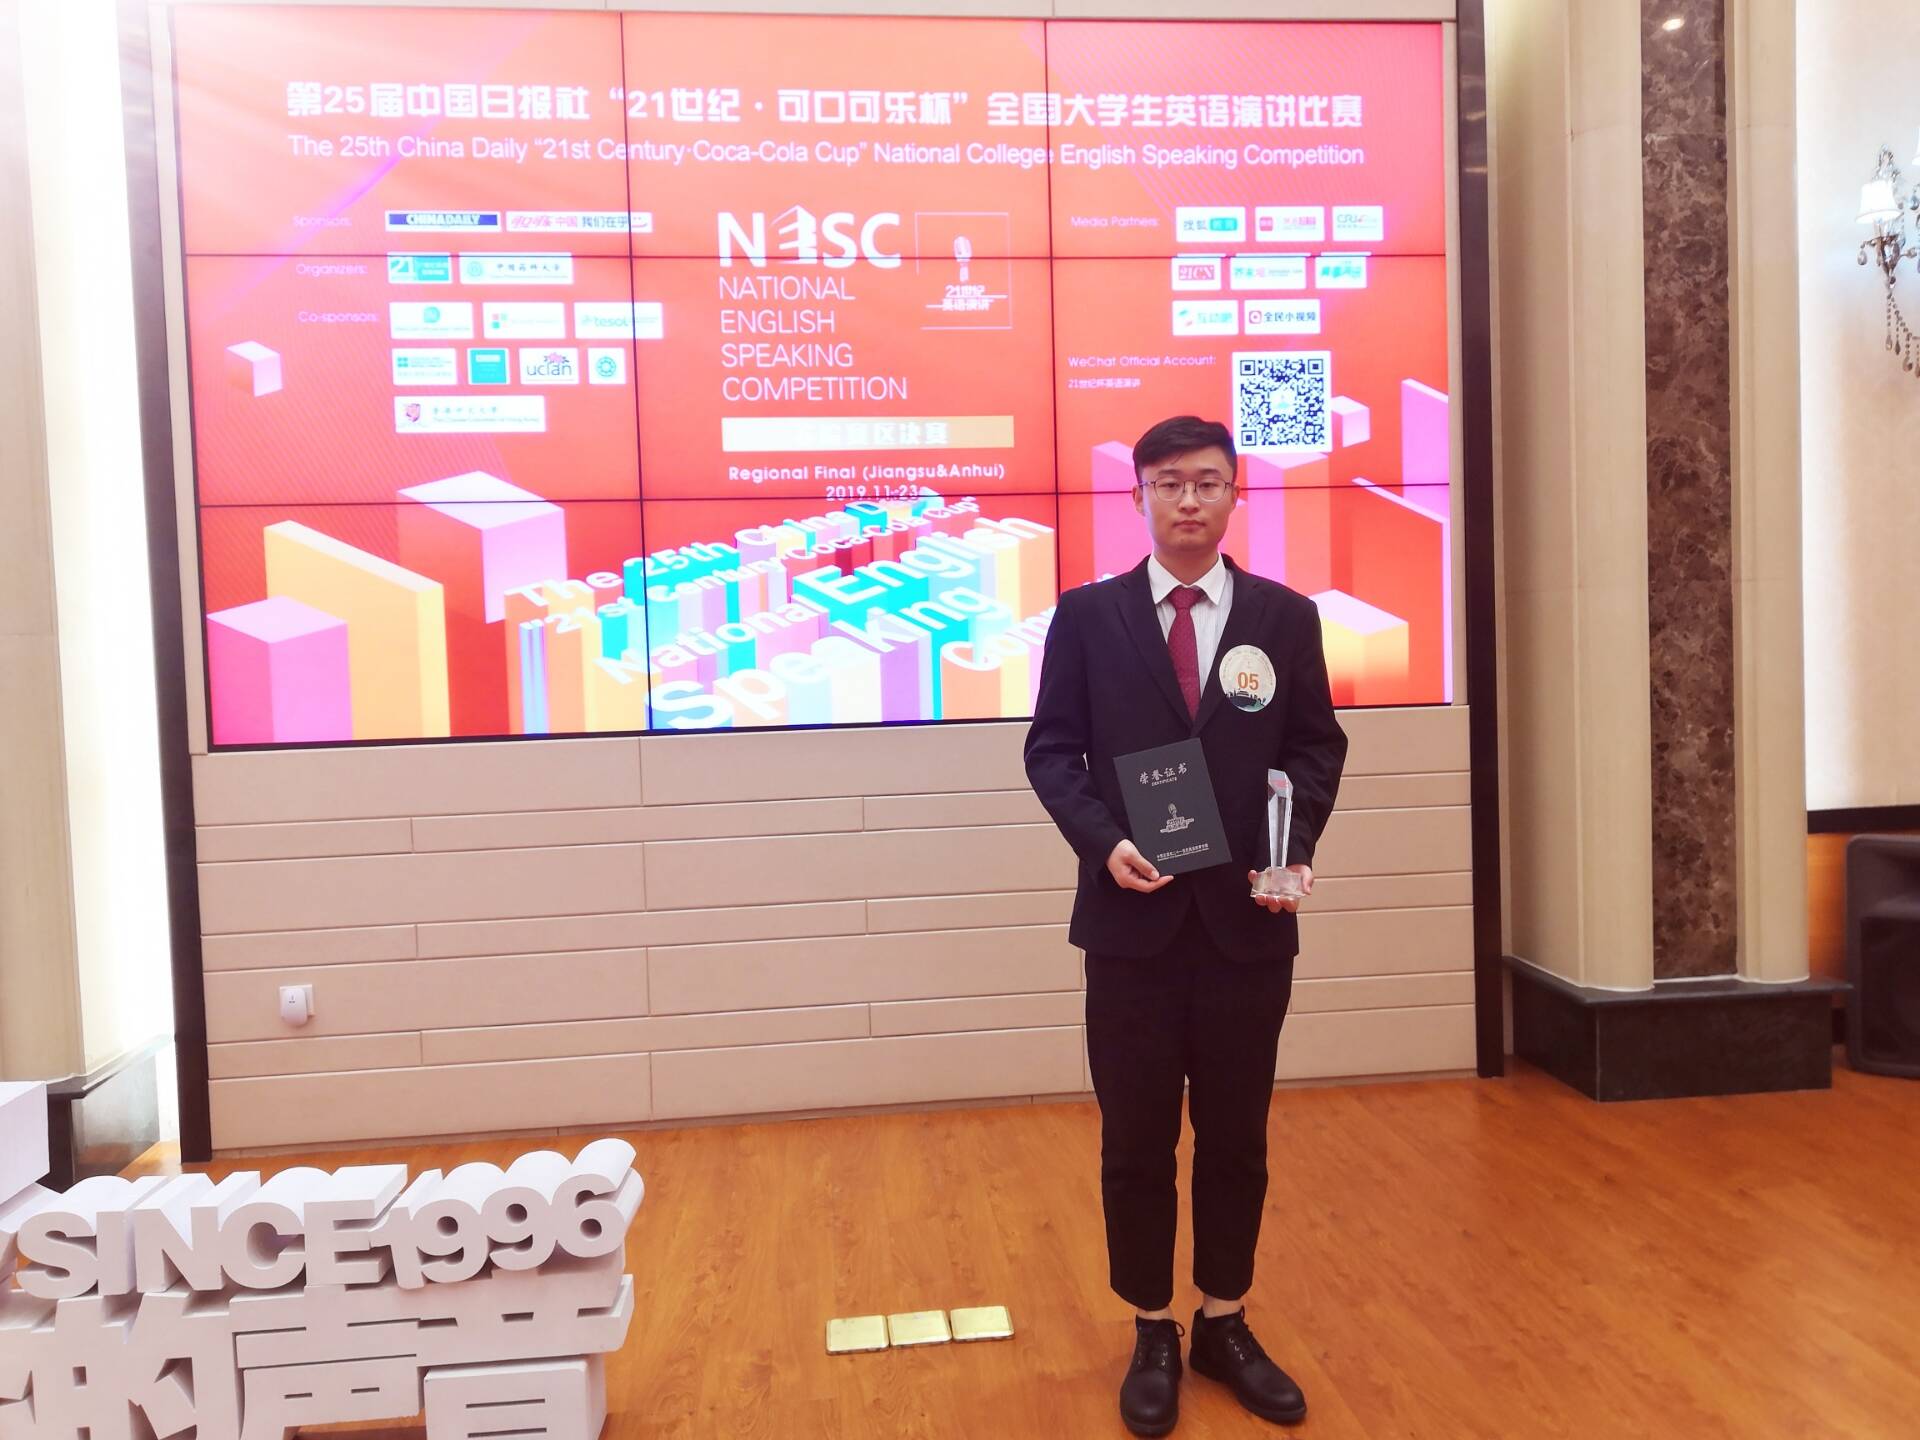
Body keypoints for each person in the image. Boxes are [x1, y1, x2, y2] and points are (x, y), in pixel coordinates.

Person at [1024, 415, 1348, 1435]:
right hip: (1132, 923)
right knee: (1136, 1139)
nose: (1189, 499)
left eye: (1208, 481)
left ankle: (1224, 1318)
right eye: (1168, 483)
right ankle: (1152, 1326)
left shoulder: (1285, 618)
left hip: (1247, 923)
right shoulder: (1089, 617)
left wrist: (1294, 847)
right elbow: (1052, 752)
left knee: (1237, 1136)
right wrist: (1102, 841)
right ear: (1139, 497)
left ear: (1236, 492)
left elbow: (1316, 747)